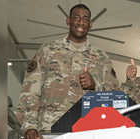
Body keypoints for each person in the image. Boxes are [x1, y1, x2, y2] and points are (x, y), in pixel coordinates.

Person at [16, 4, 119, 139]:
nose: (81, 22)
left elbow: (116, 96)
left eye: (85, 19)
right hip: (49, 129)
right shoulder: (47, 50)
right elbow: (30, 90)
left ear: (90, 24)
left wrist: (95, 85)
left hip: (87, 130)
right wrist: (29, 125)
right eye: (76, 18)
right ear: (68, 21)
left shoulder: (101, 57)